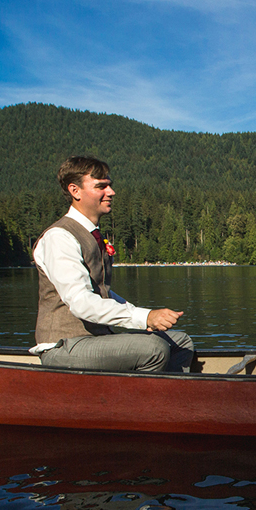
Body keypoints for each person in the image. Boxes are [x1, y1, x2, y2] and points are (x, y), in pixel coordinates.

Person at [31, 156, 195, 373]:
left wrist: (143, 316)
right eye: (101, 186)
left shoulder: (92, 235)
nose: (111, 192)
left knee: (180, 342)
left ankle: (168, 398)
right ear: (75, 191)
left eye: (110, 185)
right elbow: (81, 302)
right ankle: (138, 404)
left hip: (96, 341)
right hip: (64, 347)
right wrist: (143, 317)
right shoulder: (59, 237)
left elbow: (102, 292)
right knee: (153, 348)